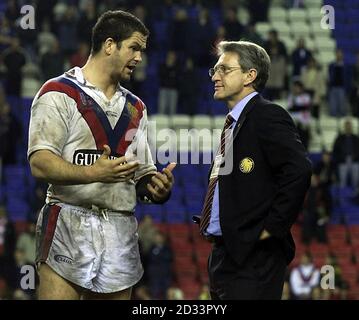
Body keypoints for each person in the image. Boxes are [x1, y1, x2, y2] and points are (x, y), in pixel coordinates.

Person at [28, 10, 175, 300]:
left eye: (142, 51)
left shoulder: (137, 108)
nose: (139, 58)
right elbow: (40, 163)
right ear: (110, 45)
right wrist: (93, 173)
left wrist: (154, 187)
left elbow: (141, 172)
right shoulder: (58, 93)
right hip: (68, 220)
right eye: (134, 48)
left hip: (120, 227)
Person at [195, 40, 312, 300]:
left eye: (224, 69)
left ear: (250, 75)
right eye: (214, 70)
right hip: (226, 256)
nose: (215, 76)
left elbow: (299, 170)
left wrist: (271, 228)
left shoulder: (267, 115)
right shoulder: (233, 124)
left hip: (254, 257)